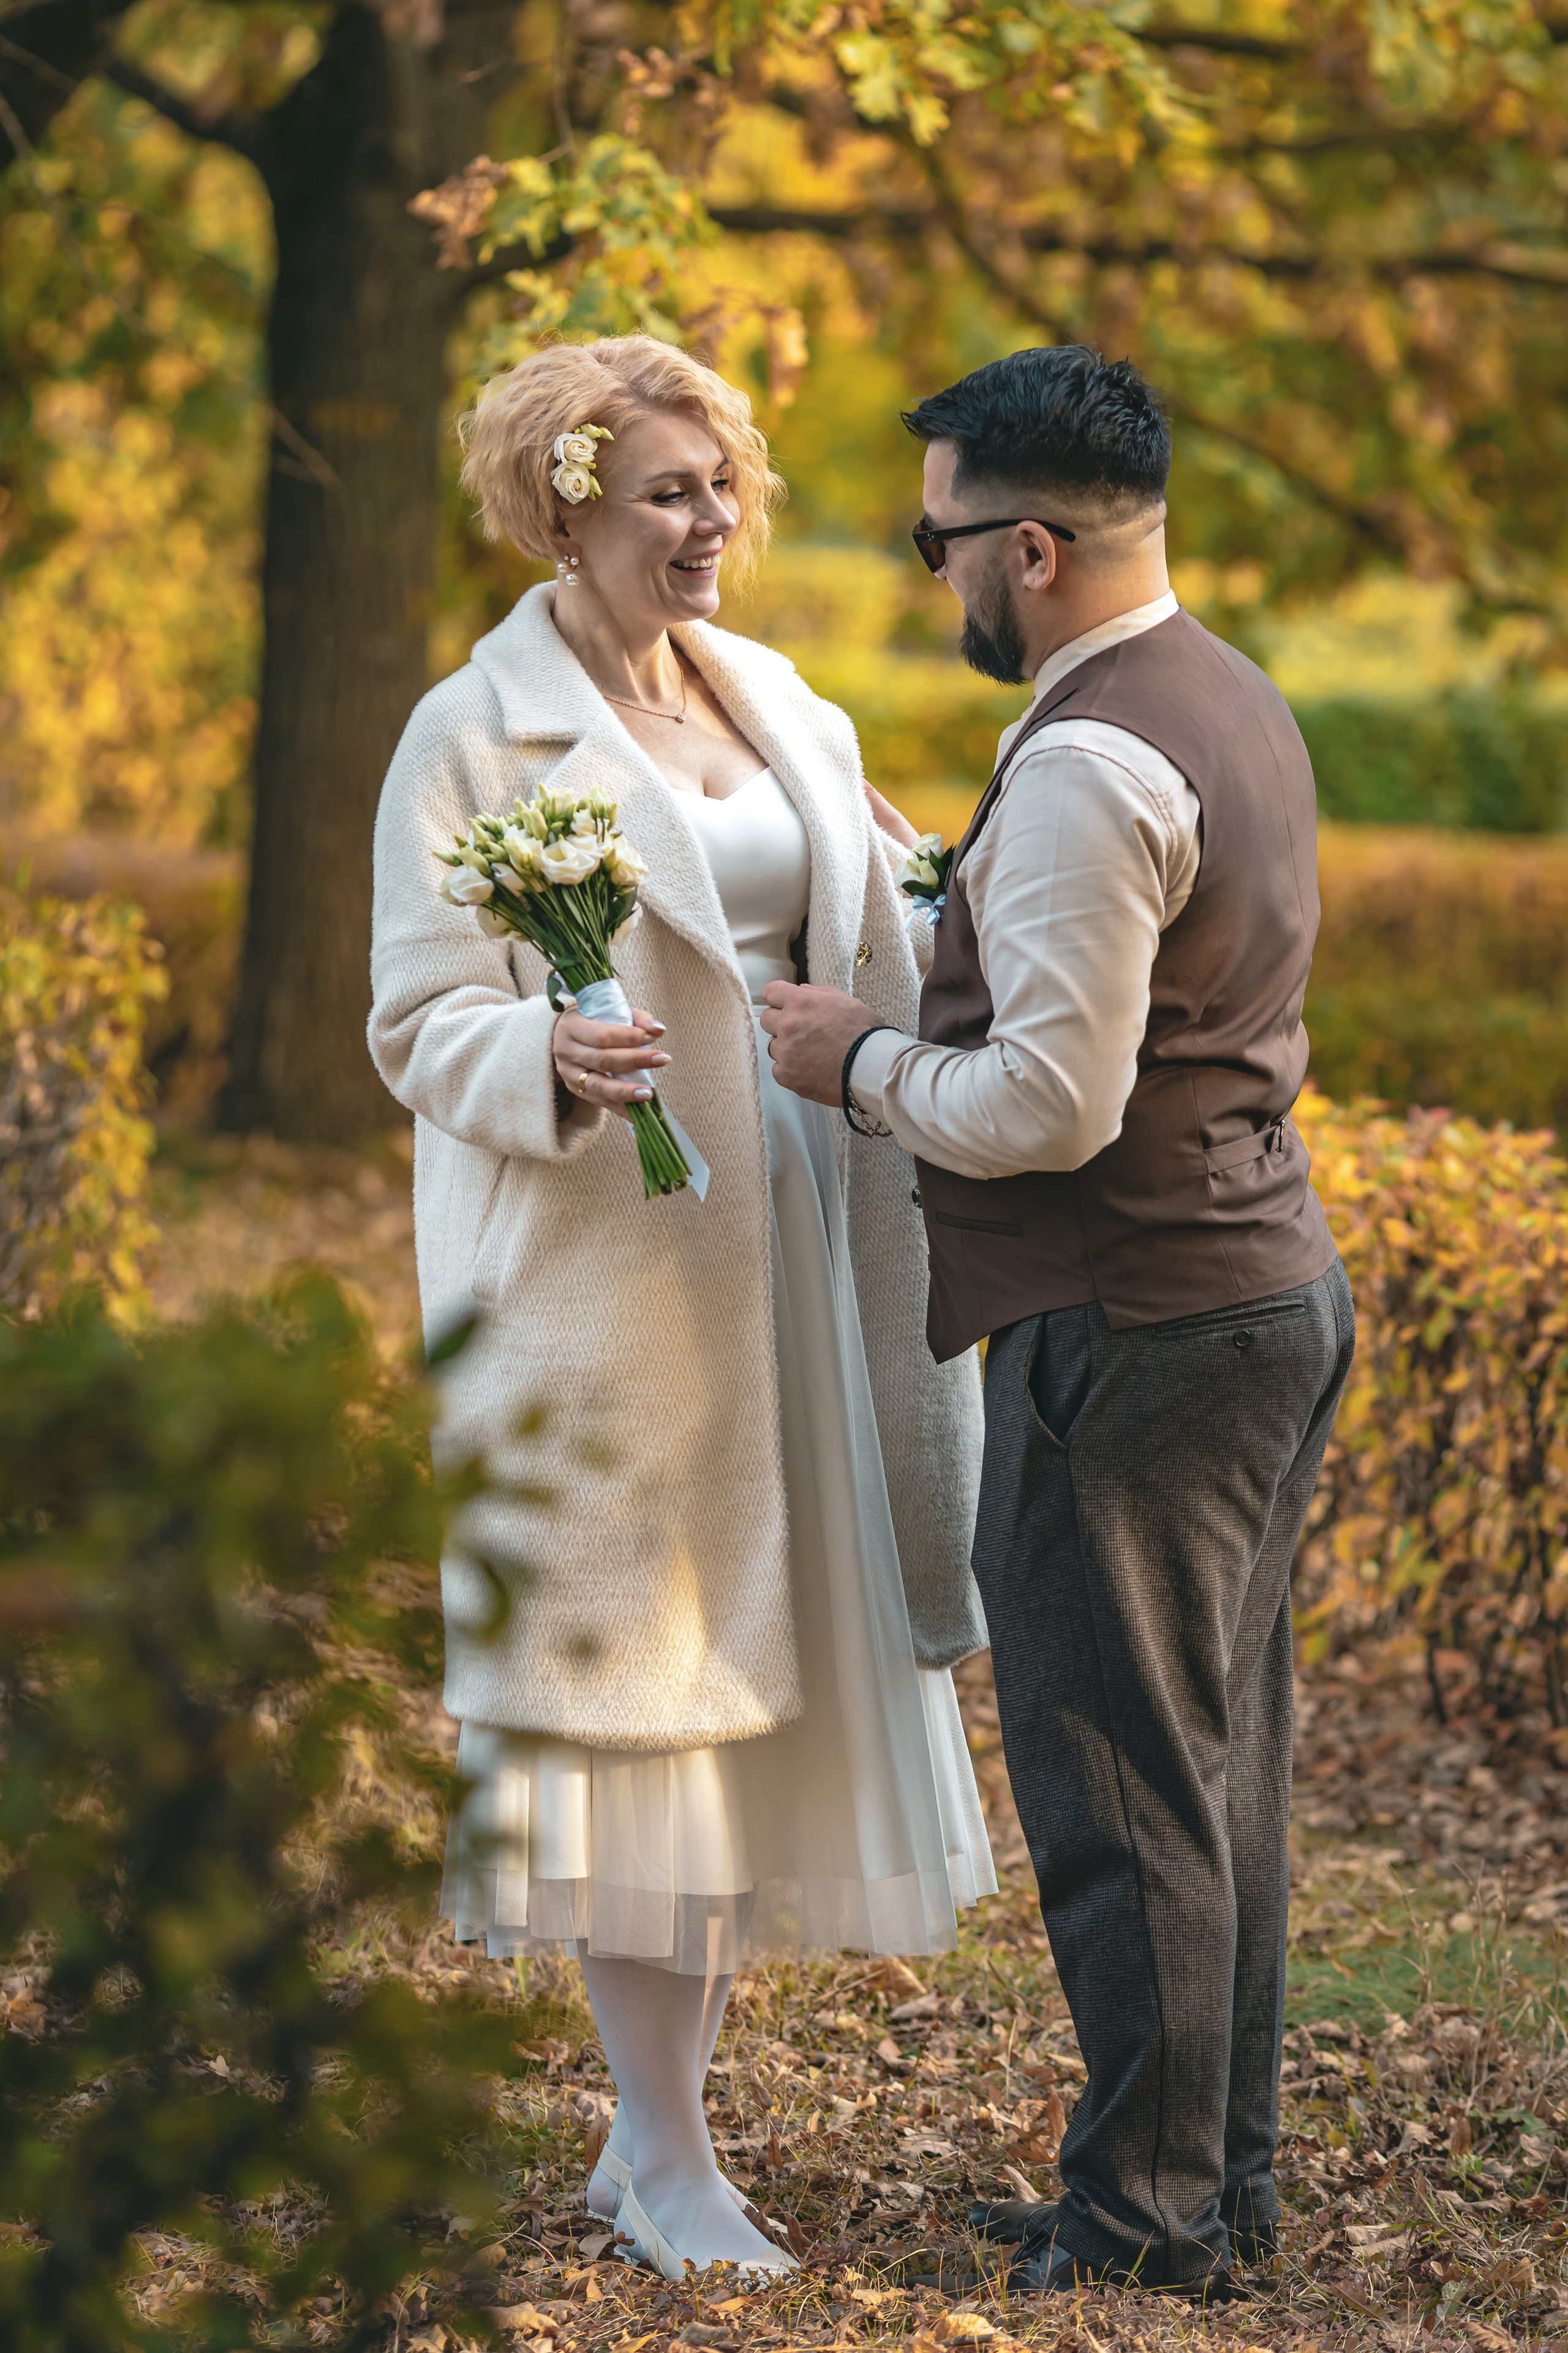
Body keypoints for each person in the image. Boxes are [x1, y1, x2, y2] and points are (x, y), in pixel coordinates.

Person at [367, 334, 995, 2285]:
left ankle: (657, 2141)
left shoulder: (783, 695)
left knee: (749, 1678)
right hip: (608, 1264)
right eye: (668, 491)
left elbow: (877, 892)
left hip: (805, 1246)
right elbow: (411, 1014)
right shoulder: (467, 730)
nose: (712, 522)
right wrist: (542, 1049)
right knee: (641, 1700)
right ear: (566, 505)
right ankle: (659, 2148)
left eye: (724, 486)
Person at [761, 344, 1355, 2297]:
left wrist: (850, 1059)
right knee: (1216, 1763)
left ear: (1031, 545)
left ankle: (1151, 2219)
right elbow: (1123, 966)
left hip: (1142, 1322)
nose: (935, 578)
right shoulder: (1211, 697)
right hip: (1254, 1287)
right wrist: (949, 868)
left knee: (1117, 1779)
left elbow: (1050, 1105)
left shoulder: (1094, 757)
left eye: (941, 543)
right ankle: (1212, 2179)